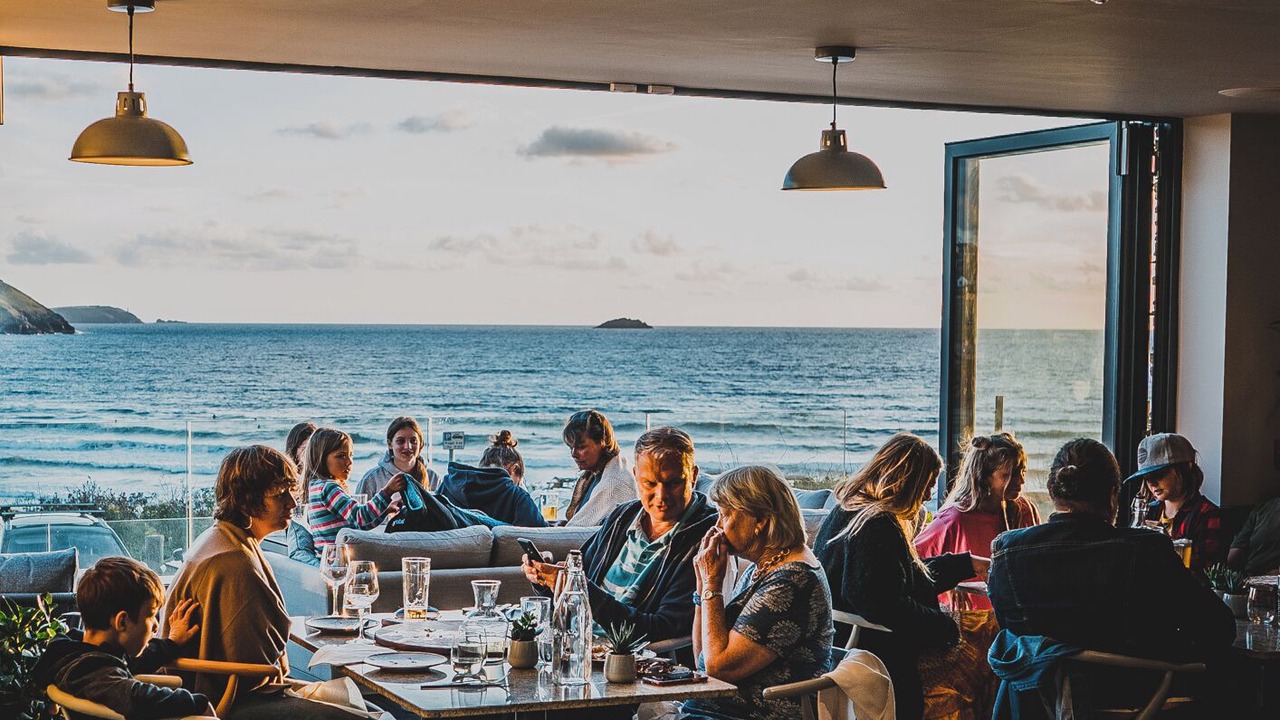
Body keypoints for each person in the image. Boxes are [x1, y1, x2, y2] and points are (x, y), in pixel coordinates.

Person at [986, 438, 1235, 716]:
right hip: (1136, 699)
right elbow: (1220, 628)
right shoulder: (1147, 549)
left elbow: (1017, 637)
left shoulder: (1006, 553)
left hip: (1039, 700)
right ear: (1113, 495)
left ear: (1052, 492)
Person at [164, 445, 355, 719]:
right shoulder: (233, 561)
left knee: (350, 701)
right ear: (247, 501)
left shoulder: (221, 539)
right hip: (228, 702)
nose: (291, 502)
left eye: (292, 491)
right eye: (279, 494)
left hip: (212, 691)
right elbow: (255, 661)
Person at [813, 432, 988, 720]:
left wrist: (966, 564)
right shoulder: (877, 526)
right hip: (875, 657)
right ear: (907, 482)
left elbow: (900, 578)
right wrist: (944, 627)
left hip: (842, 644)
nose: (929, 495)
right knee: (981, 652)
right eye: (926, 486)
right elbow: (880, 602)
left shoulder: (850, 511)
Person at [523, 426, 718, 642]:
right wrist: (547, 579)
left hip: (633, 660)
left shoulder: (706, 540)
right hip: (577, 643)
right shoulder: (623, 517)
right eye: (650, 483)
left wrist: (576, 585)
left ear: (693, 476)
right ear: (635, 476)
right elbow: (579, 582)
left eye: (673, 482)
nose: (661, 496)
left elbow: (663, 627)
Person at [682, 465, 833, 720]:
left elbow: (719, 668)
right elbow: (703, 657)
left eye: (725, 515)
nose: (718, 526)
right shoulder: (763, 567)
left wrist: (712, 586)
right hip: (712, 709)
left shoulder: (793, 581)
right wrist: (702, 586)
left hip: (749, 714)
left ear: (760, 520)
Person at [33, 557, 212, 719]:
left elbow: (135, 660)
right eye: (150, 616)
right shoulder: (94, 671)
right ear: (123, 621)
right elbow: (137, 699)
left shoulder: (79, 655)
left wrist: (172, 643)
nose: (156, 626)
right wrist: (197, 702)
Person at [914, 432, 1040, 608]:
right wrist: (948, 583)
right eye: (1008, 475)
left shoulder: (1024, 509)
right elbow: (915, 562)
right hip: (973, 619)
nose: (1021, 480)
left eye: (1022, 471)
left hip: (1017, 612)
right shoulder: (955, 518)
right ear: (984, 477)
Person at [1128, 432, 1227, 572]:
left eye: (1159, 474)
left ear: (1187, 467)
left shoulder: (1207, 515)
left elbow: (1212, 571)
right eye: (1146, 477)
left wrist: (1165, 543)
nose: (1152, 483)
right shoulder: (1149, 512)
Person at [305, 427, 405, 548]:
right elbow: (360, 516)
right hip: (339, 559)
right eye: (341, 456)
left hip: (330, 558)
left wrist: (385, 511)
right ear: (321, 458)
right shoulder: (328, 488)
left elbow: (358, 526)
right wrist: (387, 491)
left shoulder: (317, 487)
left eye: (351, 455)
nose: (349, 462)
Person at [438, 430, 547, 526]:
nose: (517, 485)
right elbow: (540, 534)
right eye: (518, 481)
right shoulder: (516, 496)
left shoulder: (448, 484)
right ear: (514, 469)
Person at [561, 409, 637, 526]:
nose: (573, 453)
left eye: (581, 447)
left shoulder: (614, 483)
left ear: (603, 442)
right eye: (570, 447)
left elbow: (582, 533)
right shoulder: (595, 473)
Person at [356, 416, 440, 496]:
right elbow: (360, 511)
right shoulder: (372, 478)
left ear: (420, 443)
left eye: (413, 441)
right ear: (390, 444)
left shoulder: (433, 477)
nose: (408, 447)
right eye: (401, 441)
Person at [284, 421, 320, 566]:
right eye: (306, 449)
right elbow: (298, 549)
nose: (311, 455)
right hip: (304, 546)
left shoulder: (328, 481)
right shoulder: (293, 484)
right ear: (295, 452)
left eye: (315, 449)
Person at [1228, 495, 1280, 575]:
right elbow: (1233, 556)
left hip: (1252, 576)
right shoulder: (1263, 507)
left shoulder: (1264, 507)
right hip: (1254, 577)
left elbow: (1233, 556)